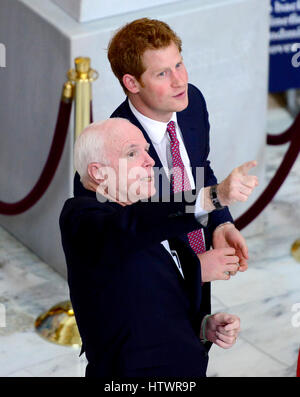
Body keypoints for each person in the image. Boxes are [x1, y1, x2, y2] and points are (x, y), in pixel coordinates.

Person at [73, 18, 258, 325]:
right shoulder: (109, 157)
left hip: (198, 292)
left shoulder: (191, 103)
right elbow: (120, 256)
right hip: (144, 319)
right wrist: (194, 269)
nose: (179, 81)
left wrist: (219, 223)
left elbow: (199, 169)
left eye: (179, 65)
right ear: (132, 83)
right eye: (162, 73)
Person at [61, 118, 257, 377]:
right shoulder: (82, 219)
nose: (149, 160)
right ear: (99, 173)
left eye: (146, 150)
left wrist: (202, 326)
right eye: (132, 153)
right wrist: (213, 196)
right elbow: (128, 228)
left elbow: (149, 297)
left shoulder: (143, 212)